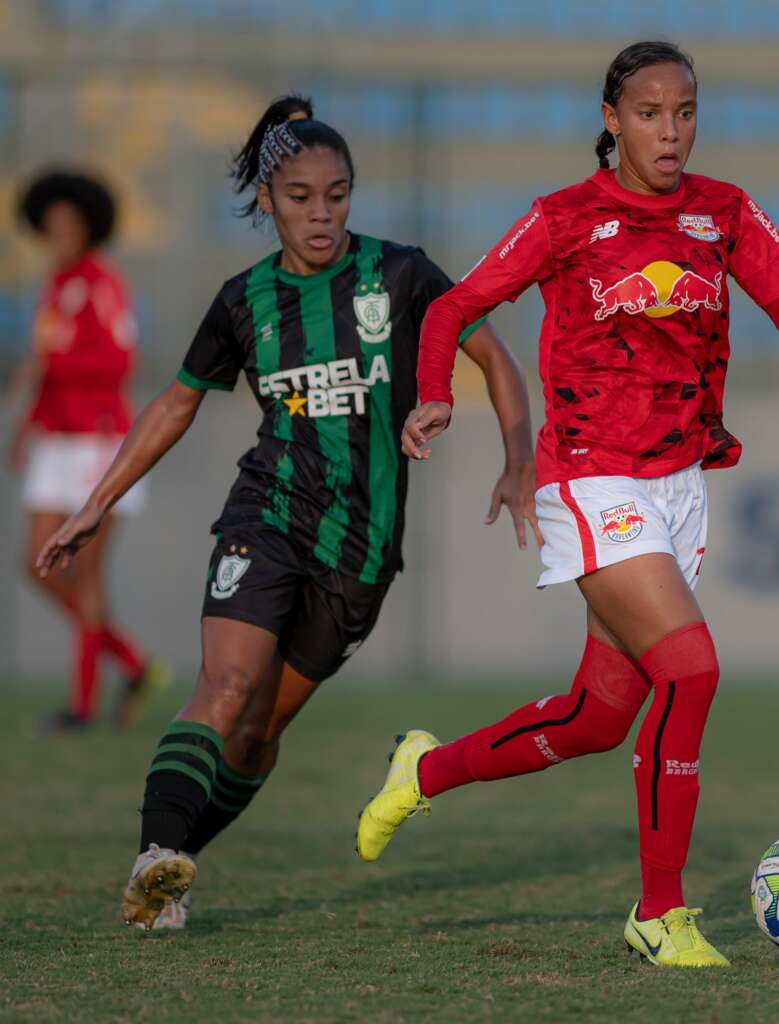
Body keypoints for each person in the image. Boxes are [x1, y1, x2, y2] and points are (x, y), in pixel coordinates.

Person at [356, 41, 779, 969]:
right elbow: (451, 310)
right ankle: (660, 913)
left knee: (597, 716)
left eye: (686, 111)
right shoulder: (565, 219)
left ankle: (421, 771)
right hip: (590, 475)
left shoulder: (722, 210)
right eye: (651, 112)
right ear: (611, 120)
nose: (671, 130)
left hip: (680, 479)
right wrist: (435, 394)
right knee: (690, 672)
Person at [36, 96, 537, 930]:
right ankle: (157, 858)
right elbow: (174, 403)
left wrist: (520, 456)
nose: (322, 213)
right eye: (301, 196)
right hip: (265, 514)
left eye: (337, 194)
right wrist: (96, 503)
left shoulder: (401, 273)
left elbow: (494, 353)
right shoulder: (245, 301)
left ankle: (167, 870)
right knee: (226, 686)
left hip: (362, 550)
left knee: (259, 734)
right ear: (267, 199)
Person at [9, 170, 166, 732]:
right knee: (38, 564)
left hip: (98, 442)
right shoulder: (53, 288)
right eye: (49, 228)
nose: (57, 237)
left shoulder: (104, 283)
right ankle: (131, 662)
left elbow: (121, 361)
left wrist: (48, 366)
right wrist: (27, 426)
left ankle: (82, 705)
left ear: (87, 228)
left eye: (66, 227)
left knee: (87, 573)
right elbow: (44, 368)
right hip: (56, 441)